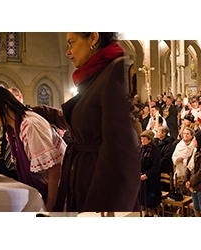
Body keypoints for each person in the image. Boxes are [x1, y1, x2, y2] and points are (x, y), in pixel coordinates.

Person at [53, 32, 141, 213]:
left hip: (102, 195)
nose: (68, 52)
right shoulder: (96, 76)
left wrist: (95, 213)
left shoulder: (116, 71)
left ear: (93, 38)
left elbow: (120, 157)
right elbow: (85, 119)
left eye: (71, 43)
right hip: (85, 184)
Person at [0, 86, 66, 211]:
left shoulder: (30, 125)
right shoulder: (13, 129)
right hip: (43, 191)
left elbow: (54, 169)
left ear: (4, 106)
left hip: (58, 192)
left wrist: (50, 205)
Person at [138, 131, 162, 217]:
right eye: (141, 139)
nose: (142, 141)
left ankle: (152, 215)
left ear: (149, 140)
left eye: (144, 139)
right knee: (143, 201)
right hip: (142, 179)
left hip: (152, 180)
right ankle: (145, 214)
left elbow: (156, 166)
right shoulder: (141, 149)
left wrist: (147, 175)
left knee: (151, 202)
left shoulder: (155, 151)